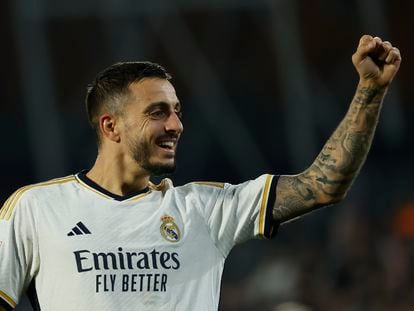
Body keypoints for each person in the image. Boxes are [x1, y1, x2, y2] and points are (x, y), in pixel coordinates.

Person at [0, 35, 401, 311]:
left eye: (177, 111)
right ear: (110, 126)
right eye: (158, 112)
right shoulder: (36, 209)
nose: (176, 125)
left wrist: (369, 90)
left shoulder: (205, 210)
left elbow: (323, 185)